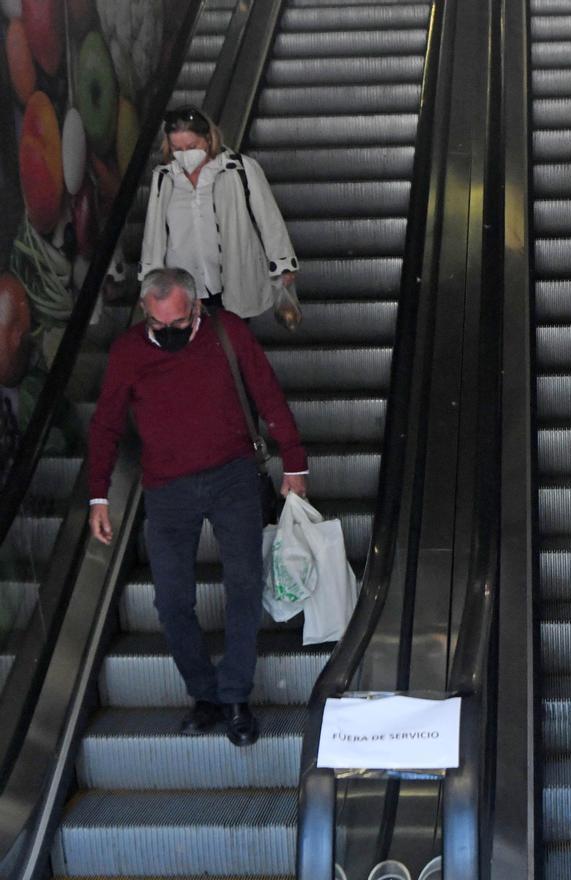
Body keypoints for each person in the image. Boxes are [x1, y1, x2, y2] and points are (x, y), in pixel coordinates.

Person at [87, 267, 308, 746]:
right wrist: (98, 494)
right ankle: (204, 695)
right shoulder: (128, 351)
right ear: (146, 312)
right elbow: (105, 425)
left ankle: (234, 697)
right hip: (167, 490)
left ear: (197, 309)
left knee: (245, 585)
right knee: (170, 601)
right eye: (158, 327)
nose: (168, 335)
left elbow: (267, 392)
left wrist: (294, 461)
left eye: (179, 325)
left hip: (232, 476)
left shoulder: (226, 332)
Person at [139, 105, 298, 319]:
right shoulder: (165, 177)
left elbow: (268, 218)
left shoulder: (240, 169)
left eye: (192, 146)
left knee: (231, 339)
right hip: (185, 284)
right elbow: (154, 233)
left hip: (233, 277)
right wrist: (150, 280)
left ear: (208, 139)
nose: (185, 155)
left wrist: (283, 264)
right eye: (177, 149)